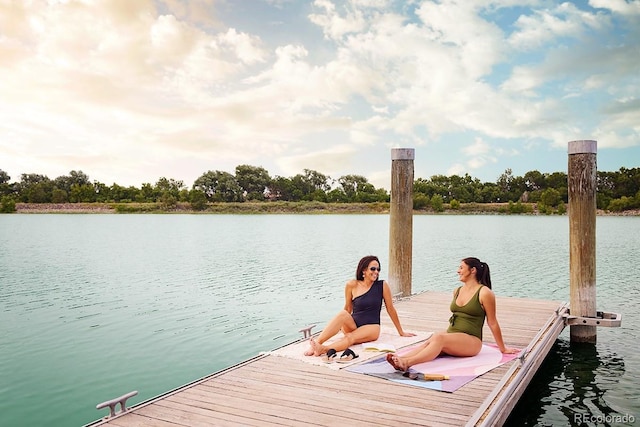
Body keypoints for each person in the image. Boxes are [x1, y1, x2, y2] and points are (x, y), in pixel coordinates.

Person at [386, 257, 517, 371]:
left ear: (473, 270)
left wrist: (503, 349)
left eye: (461, 267)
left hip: (471, 341)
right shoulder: (457, 291)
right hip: (453, 334)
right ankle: (401, 358)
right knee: (434, 337)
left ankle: (407, 363)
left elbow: (492, 322)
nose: (458, 271)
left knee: (439, 338)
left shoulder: (484, 293)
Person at [305, 255, 415, 359]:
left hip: (371, 327)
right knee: (343, 314)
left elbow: (390, 309)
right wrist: (337, 327)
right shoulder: (351, 285)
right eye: (373, 269)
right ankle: (317, 343)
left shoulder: (382, 285)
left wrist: (401, 332)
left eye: (378, 269)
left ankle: (323, 349)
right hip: (354, 324)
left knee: (350, 337)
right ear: (364, 270)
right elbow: (348, 309)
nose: (376, 272)